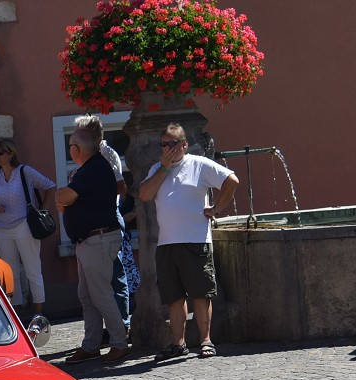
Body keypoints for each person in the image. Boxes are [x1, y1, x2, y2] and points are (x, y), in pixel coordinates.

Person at [139, 122, 239, 361]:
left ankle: (206, 341)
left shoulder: (199, 164)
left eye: (172, 144)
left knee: (201, 294)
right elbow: (144, 194)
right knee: (173, 296)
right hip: (167, 243)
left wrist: (216, 208)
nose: (167, 149)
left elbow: (231, 180)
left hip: (195, 240)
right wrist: (163, 168)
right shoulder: (157, 168)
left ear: (184, 144)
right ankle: (178, 343)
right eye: (163, 144)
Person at [57, 128, 130, 365]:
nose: (69, 150)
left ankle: (119, 343)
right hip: (89, 240)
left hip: (97, 240)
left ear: (77, 149)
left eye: (70, 146)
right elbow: (69, 199)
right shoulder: (92, 168)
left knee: (100, 295)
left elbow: (65, 197)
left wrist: (63, 197)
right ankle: (91, 345)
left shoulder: (93, 169)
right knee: (88, 296)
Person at [74, 115, 135, 335]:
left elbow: (120, 186)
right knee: (92, 287)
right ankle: (102, 332)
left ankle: (121, 328)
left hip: (109, 217)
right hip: (91, 222)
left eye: (80, 133)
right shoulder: (88, 156)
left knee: (114, 277)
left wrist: (88, 191)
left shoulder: (106, 154)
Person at [0, 138, 56, 314]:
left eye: (0, 153)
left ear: (11, 154)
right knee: (11, 273)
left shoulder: (25, 172)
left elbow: (50, 186)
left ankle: (38, 313)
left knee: (32, 270)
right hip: (3, 227)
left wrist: (42, 210)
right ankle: (16, 312)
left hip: (24, 224)